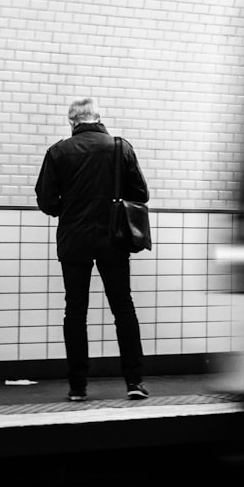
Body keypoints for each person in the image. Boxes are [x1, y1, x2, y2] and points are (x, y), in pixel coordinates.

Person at [35, 98, 151, 402]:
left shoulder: (58, 151)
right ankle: (134, 381)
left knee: (75, 311)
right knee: (123, 308)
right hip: (113, 239)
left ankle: (77, 387)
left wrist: (70, 208)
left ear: (72, 122)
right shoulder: (119, 147)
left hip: (74, 240)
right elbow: (141, 193)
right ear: (97, 117)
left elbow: (46, 202)